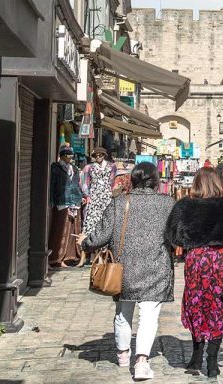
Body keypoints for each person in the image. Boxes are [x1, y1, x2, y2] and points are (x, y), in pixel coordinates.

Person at [79, 161, 175, 381]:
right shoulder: (167, 203)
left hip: (124, 267)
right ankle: (141, 362)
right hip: (156, 266)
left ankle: (123, 355)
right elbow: (176, 236)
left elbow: (102, 235)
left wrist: (85, 242)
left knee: (123, 311)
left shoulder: (119, 202)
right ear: (155, 181)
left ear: (133, 179)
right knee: (149, 315)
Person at [164, 167, 223, 378]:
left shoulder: (185, 205)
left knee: (196, 305)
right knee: (218, 307)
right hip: (221, 259)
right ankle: (212, 362)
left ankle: (196, 358)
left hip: (197, 260)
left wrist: (190, 240)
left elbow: (172, 235)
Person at [49, 145, 84, 267]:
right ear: (62, 156)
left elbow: (77, 184)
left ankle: (70, 256)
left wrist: (81, 196)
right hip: (62, 200)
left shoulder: (73, 168)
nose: (70, 157)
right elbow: (52, 184)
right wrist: (51, 200)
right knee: (60, 228)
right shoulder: (56, 168)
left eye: (71, 155)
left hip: (75, 200)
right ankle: (57, 257)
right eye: (68, 155)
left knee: (73, 229)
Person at [81, 147, 116, 242]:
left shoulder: (111, 166)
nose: (98, 157)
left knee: (106, 219)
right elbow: (84, 182)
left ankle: (104, 245)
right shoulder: (89, 167)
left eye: (100, 155)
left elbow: (113, 181)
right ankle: (89, 243)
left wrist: (111, 193)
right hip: (94, 197)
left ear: (104, 156)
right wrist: (87, 195)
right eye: (96, 155)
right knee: (91, 220)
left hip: (106, 197)